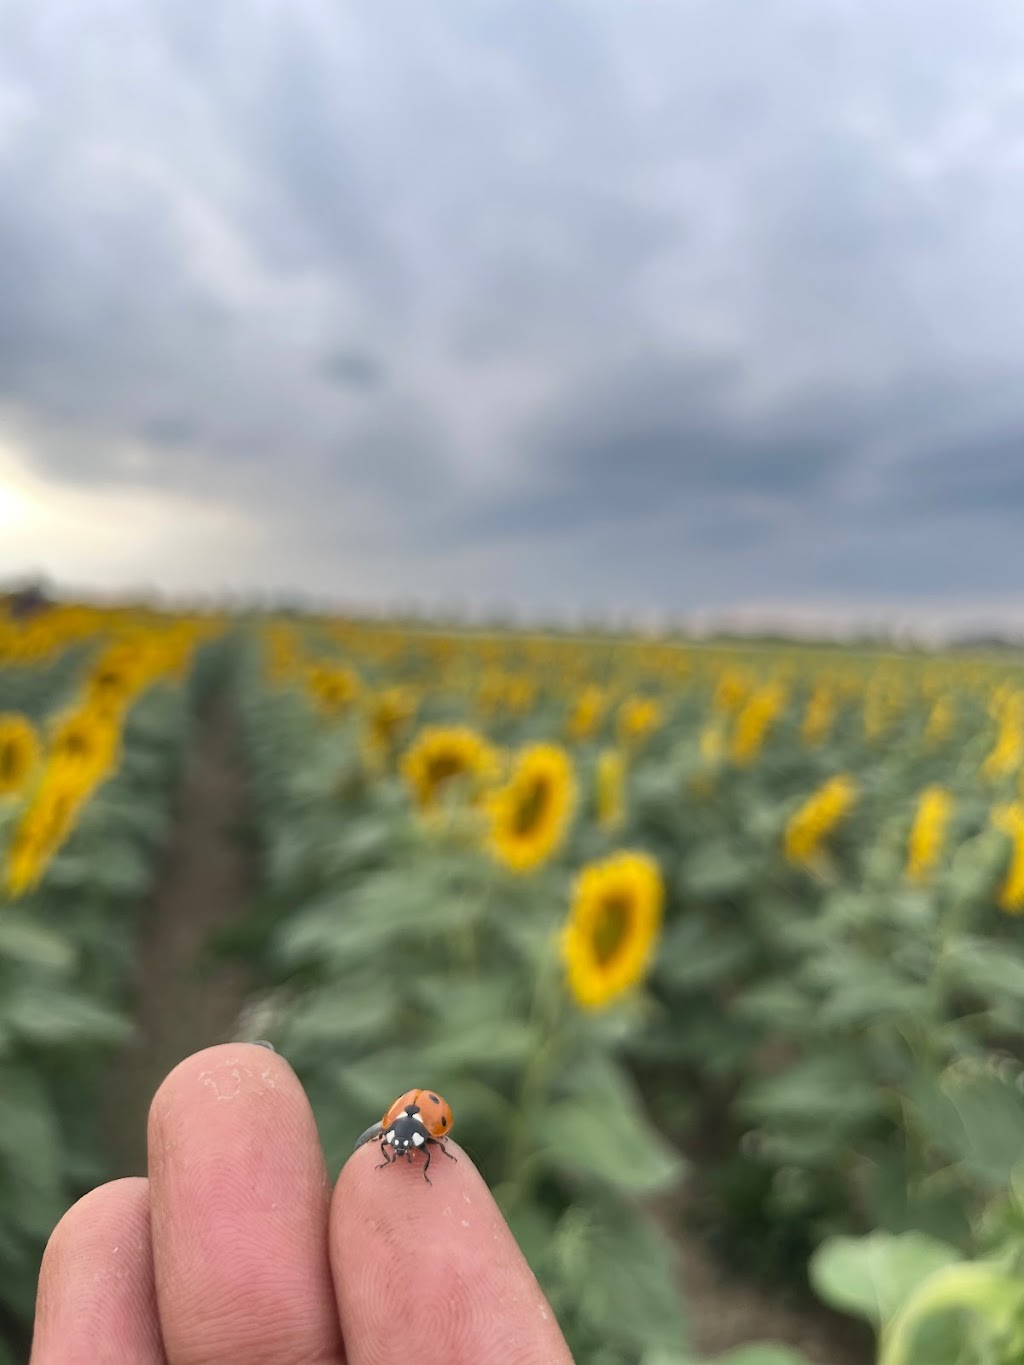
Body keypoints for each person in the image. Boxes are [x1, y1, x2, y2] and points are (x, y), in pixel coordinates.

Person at [30, 1042, 574, 1363]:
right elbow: (408, 1133)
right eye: (402, 1143)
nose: (407, 1149)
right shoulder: (405, 1127)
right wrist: (397, 1144)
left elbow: (430, 1139)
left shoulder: (428, 1133)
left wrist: (418, 1148)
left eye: (408, 1144)